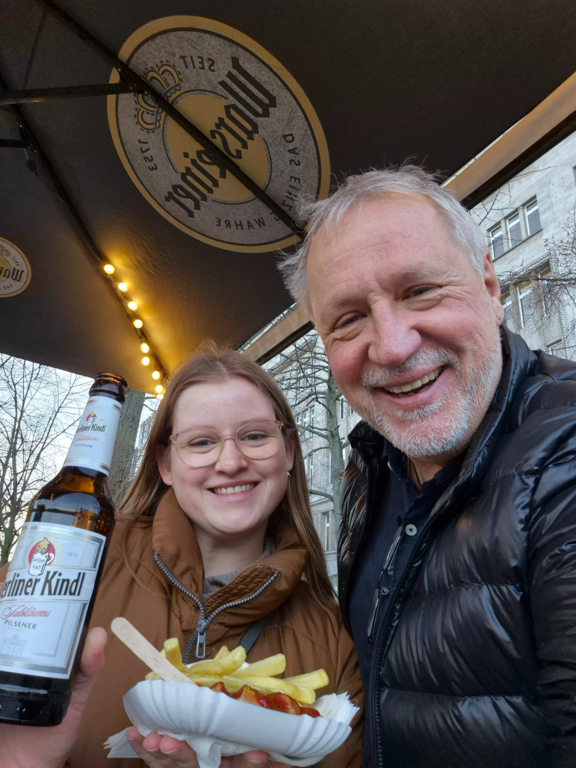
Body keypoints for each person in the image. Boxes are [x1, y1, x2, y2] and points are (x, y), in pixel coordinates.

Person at [279, 166, 576, 768]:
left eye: (420, 290)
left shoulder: (564, 453)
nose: (392, 346)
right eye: (348, 319)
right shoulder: (371, 464)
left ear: (489, 286)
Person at [0, 348, 363, 768]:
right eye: (202, 442)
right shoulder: (78, 557)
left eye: (255, 436)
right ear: (166, 464)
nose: (231, 462)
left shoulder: (333, 641)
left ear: (289, 452)